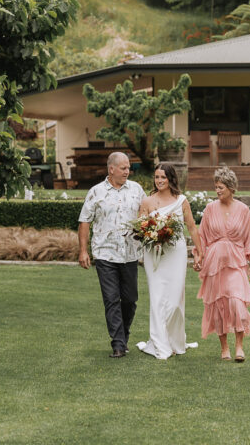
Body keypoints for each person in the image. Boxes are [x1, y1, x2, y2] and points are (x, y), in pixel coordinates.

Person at [78, 152, 146, 358]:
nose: (128, 171)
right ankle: (118, 344)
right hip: (105, 254)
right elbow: (85, 221)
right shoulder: (96, 192)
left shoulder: (136, 190)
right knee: (111, 299)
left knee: (130, 299)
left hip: (130, 254)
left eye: (129, 168)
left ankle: (123, 335)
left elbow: (147, 215)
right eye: (124, 168)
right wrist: (83, 251)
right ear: (111, 169)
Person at [135, 163, 200, 359]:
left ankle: (174, 340)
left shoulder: (181, 201)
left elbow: (192, 228)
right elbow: (140, 228)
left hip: (176, 254)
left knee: (174, 302)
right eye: (157, 177)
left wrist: (200, 252)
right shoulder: (147, 201)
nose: (160, 181)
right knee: (157, 299)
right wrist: (151, 234)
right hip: (154, 255)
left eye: (163, 177)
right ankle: (159, 344)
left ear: (171, 179)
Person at [193, 166, 250, 362]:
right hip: (214, 264)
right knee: (219, 306)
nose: (217, 190)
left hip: (236, 262)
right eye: (216, 187)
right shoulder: (210, 209)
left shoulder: (243, 210)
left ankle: (239, 345)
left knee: (237, 303)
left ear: (231, 187)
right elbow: (201, 236)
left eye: (221, 187)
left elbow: (249, 238)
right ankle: (224, 348)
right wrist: (198, 256)